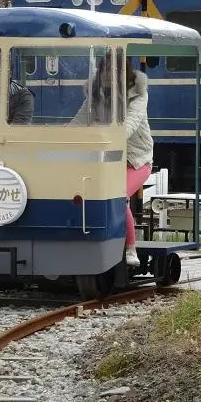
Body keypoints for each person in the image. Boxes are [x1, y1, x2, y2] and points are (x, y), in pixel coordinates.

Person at [71, 53, 153, 267]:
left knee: (118, 195)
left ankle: (130, 248)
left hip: (136, 159)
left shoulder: (138, 95)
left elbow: (131, 125)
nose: (109, 74)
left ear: (124, 73)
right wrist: (63, 137)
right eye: (106, 69)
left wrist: (101, 136)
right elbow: (79, 121)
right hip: (104, 159)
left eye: (115, 70)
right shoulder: (95, 94)